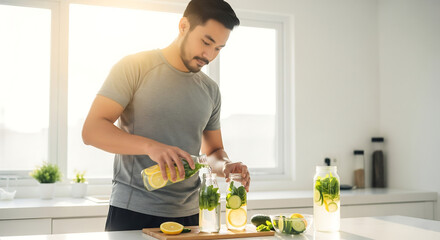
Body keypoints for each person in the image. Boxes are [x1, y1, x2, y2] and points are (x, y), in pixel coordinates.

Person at [82, 0, 250, 231]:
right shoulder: (134, 67)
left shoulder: (210, 90)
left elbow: (212, 152)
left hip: (193, 215)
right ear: (183, 26)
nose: (209, 55)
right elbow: (92, 131)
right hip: (133, 212)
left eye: (218, 48)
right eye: (206, 42)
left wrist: (226, 166)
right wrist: (151, 147)